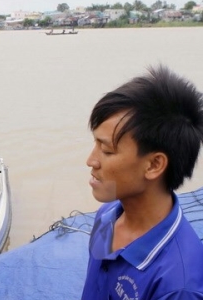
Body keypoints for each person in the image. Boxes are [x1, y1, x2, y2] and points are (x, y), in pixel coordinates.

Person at [81, 65, 203, 299]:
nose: (91, 161)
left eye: (106, 150)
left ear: (154, 165)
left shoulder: (178, 285)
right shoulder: (107, 216)